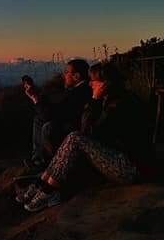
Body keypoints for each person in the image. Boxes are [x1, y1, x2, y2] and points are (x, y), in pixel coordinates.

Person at [18, 63, 150, 212]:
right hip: (120, 158)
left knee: (75, 137)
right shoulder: (113, 99)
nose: (90, 83)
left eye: (93, 80)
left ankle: (49, 191)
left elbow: (88, 132)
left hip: (129, 169)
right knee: (73, 136)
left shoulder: (120, 104)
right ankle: (42, 185)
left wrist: (94, 99)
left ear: (105, 84)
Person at [23, 59, 92, 171]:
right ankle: (38, 160)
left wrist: (34, 98)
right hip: (71, 124)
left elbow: (52, 115)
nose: (64, 75)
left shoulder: (79, 93)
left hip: (74, 130)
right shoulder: (79, 90)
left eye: (67, 72)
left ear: (76, 76)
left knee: (47, 126)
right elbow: (55, 109)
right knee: (39, 119)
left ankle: (49, 163)